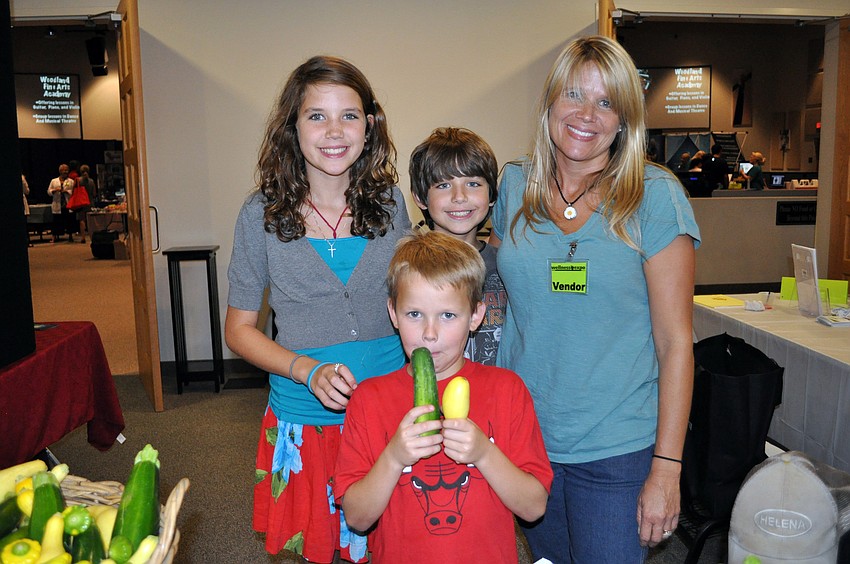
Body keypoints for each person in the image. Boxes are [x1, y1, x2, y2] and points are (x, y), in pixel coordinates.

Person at [489, 36, 701, 563]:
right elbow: (489, 289)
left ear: (624, 118)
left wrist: (667, 467)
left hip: (616, 446)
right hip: (524, 437)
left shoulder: (654, 195)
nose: (587, 114)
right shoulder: (514, 184)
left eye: (606, 102)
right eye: (574, 94)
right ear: (550, 102)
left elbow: (676, 342)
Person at [224, 55, 411, 562]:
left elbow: (415, 301)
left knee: (392, 546)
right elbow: (239, 330)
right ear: (293, 126)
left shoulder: (391, 204)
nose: (334, 131)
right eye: (316, 116)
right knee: (321, 547)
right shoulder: (260, 214)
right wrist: (307, 370)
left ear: (369, 126)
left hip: (387, 415)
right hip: (305, 419)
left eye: (349, 116)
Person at [334, 231, 553, 563]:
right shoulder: (369, 398)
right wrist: (393, 458)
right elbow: (357, 518)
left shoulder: (507, 389)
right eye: (414, 314)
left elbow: (534, 507)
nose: (429, 333)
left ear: (476, 316)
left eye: (448, 315)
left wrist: (484, 453)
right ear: (393, 313)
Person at [408, 127, 505, 365]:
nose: (459, 196)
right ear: (420, 198)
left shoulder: (506, 267)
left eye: (473, 183)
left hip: (497, 387)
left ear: (492, 195)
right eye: (443, 185)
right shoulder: (407, 267)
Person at [47, 163, 76, 243]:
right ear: (60, 171)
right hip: (57, 204)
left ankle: (70, 236)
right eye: (64, 170)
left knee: (69, 221)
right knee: (56, 221)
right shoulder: (54, 181)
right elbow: (49, 191)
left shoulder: (71, 181)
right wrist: (54, 190)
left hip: (67, 204)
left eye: (67, 170)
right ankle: (54, 237)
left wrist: (67, 191)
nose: (65, 172)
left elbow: (74, 192)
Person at [75, 164, 97, 244]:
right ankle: (92, 236)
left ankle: (83, 237)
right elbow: (94, 193)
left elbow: (74, 191)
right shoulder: (91, 181)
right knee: (90, 220)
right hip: (90, 202)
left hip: (81, 202)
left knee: (82, 220)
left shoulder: (78, 180)